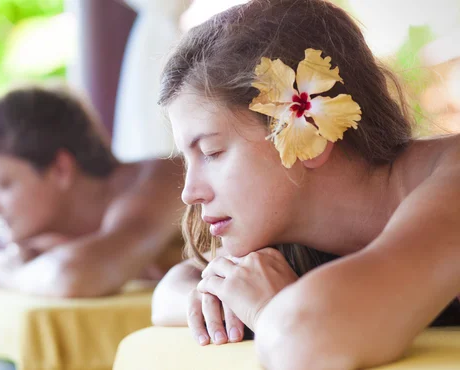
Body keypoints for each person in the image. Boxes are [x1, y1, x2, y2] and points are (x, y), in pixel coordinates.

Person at [150, 0, 460, 369]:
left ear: (308, 130)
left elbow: (303, 336)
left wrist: (266, 309)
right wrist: (215, 293)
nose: (189, 192)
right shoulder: (292, 237)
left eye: (212, 152)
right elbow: (172, 287)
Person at [0, 82, 185, 298]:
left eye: (2, 185)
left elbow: (74, 275)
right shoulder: (52, 228)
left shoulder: (159, 182)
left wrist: (5, 273)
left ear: (60, 168)